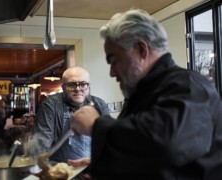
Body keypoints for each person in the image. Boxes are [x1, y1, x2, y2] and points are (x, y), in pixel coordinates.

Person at [70, 9, 222, 179]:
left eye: (114, 61)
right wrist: (101, 166)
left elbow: (165, 145)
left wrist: (95, 125)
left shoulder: (190, 87)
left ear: (142, 50)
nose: (112, 72)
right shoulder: (140, 94)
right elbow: (145, 154)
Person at [32, 66, 110, 163]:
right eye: (72, 85)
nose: (77, 89)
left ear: (89, 86)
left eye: (83, 84)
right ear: (63, 87)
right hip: (60, 171)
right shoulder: (50, 106)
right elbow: (41, 146)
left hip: (92, 169)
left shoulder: (100, 105)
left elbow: (108, 143)